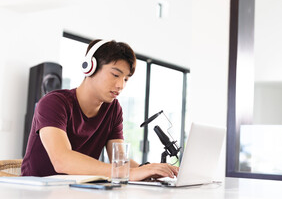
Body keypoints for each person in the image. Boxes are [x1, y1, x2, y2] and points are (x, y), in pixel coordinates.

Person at [21, 39, 178, 180]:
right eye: (115, 75)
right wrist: (129, 173)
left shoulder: (113, 109)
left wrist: (151, 171)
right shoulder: (54, 102)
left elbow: (120, 161)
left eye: (126, 79)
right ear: (90, 68)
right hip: (36, 195)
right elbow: (62, 160)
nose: (121, 85)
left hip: (78, 193)